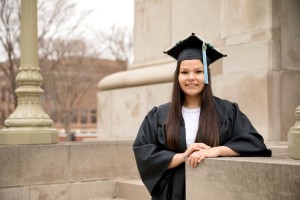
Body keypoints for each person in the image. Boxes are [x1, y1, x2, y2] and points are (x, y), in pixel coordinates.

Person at [132, 33, 272, 200]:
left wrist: (215, 151)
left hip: (214, 191)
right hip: (172, 194)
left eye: (198, 71)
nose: (191, 78)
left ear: (206, 75)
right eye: (184, 72)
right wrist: (183, 156)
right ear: (177, 77)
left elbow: (254, 143)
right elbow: (143, 152)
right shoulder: (159, 115)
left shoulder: (227, 111)